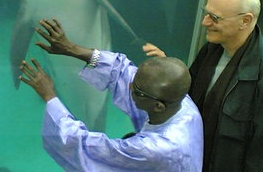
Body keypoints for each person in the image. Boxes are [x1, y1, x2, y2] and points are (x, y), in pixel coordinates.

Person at [19, 18, 203, 172]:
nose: (129, 86)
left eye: (137, 90)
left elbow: (81, 147)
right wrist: (70, 48)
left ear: (158, 106)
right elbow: (121, 70)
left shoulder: (155, 150)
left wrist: (49, 96)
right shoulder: (182, 105)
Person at [160, 0, 263, 171]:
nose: (205, 22)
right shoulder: (211, 50)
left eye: (215, 17)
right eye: (206, 13)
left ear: (245, 20)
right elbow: (187, 99)